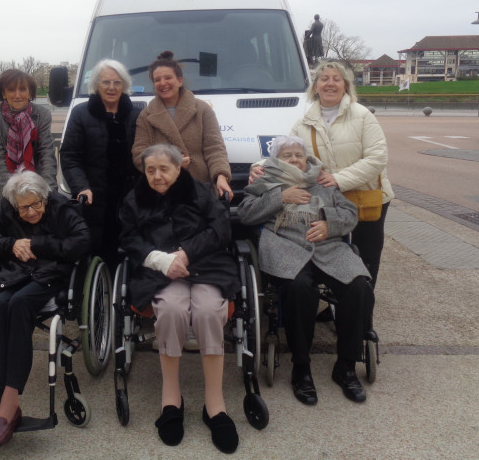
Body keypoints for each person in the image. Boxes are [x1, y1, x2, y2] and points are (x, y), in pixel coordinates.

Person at [119, 144, 240, 453]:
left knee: (209, 312)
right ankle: (171, 397)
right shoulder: (135, 199)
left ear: (178, 168)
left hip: (207, 266)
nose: (157, 176)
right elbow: (130, 240)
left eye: (164, 169)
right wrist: (162, 260)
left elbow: (221, 228)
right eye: (150, 170)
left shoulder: (199, 191)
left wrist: (186, 252)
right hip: (160, 273)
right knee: (171, 310)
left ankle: (215, 403)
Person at [237, 135, 375, 405]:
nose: (294, 159)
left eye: (298, 155)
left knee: (359, 288)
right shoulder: (265, 182)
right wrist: (279, 196)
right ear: (276, 159)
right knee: (300, 290)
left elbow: (350, 213)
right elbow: (245, 214)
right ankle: (301, 368)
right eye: (287, 155)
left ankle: (345, 366)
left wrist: (329, 224)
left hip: (329, 249)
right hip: (286, 250)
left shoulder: (322, 183)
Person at [0, 171, 90, 448]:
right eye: (24, 208)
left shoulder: (61, 209)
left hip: (50, 276)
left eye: (36, 205)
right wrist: (11, 244)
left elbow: (81, 243)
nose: (31, 212)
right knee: (0, 304)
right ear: (14, 203)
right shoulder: (9, 207)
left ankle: (8, 402)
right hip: (15, 275)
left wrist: (38, 244)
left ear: (44, 197)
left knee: (17, 303)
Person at [251, 61, 393, 286]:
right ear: (315, 86)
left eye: (336, 79)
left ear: (345, 86)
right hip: (330, 196)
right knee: (336, 251)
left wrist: (339, 179)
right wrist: (258, 167)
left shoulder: (362, 115)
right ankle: (334, 303)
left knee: (366, 257)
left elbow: (377, 158)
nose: (330, 84)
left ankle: (364, 313)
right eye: (324, 79)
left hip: (364, 195)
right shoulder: (304, 121)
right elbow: (287, 150)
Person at [59, 59, 141, 269]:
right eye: (106, 82)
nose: (111, 87)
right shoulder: (81, 113)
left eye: (117, 82)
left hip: (129, 199)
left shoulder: (137, 115)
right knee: (95, 255)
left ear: (124, 86)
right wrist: (81, 187)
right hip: (93, 199)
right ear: (96, 84)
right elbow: (70, 156)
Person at [132, 50, 233, 199]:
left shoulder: (202, 110)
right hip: (162, 193)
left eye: (168, 78)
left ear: (180, 81)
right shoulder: (146, 116)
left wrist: (221, 176)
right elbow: (138, 154)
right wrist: (171, 163)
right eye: (157, 80)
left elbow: (215, 148)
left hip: (199, 190)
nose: (162, 83)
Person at [0, 69, 57, 219]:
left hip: (38, 190)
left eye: (22, 89)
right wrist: (16, 193)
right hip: (3, 189)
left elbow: (46, 154)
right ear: (3, 93)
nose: (17, 95)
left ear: (30, 93)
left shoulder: (42, 115)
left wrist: (46, 191)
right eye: (11, 90)